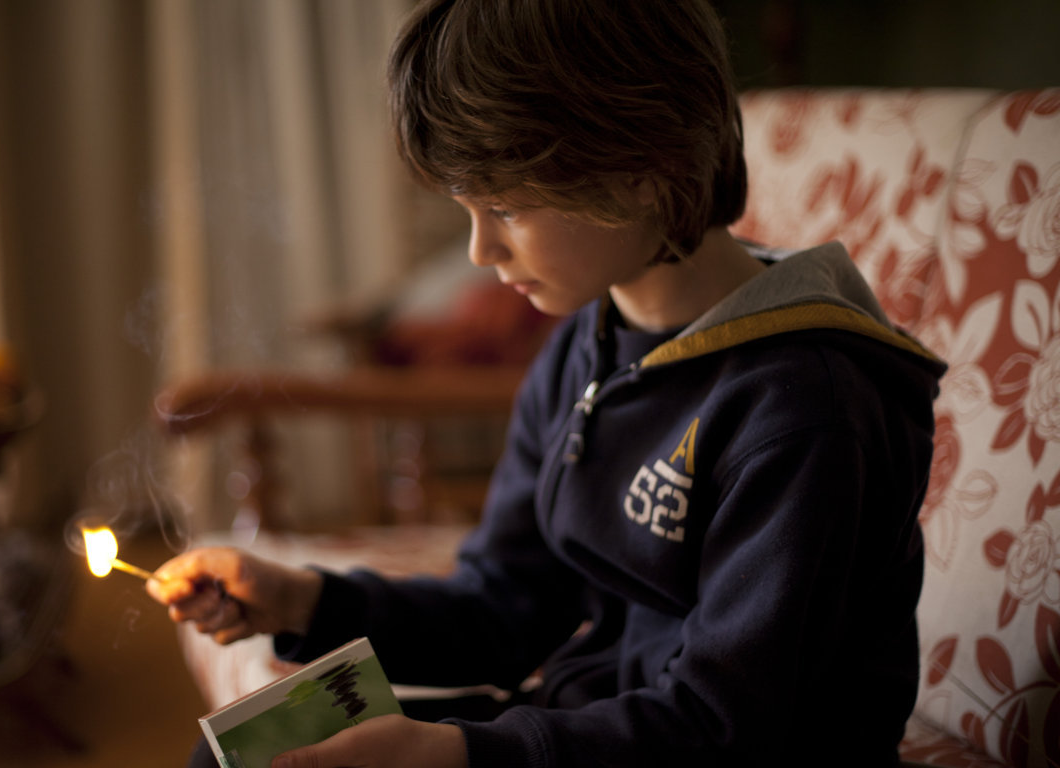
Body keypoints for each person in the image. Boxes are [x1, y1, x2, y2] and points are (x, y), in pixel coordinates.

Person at [149, 1, 946, 766]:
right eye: (467, 208)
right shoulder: (584, 346)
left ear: (639, 167)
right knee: (249, 755)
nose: (479, 251)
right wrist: (299, 601)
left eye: (502, 207)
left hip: (708, 749)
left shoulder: (806, 407)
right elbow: (505, 608)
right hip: (601, 732)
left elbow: (724, 729)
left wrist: (461, 754)